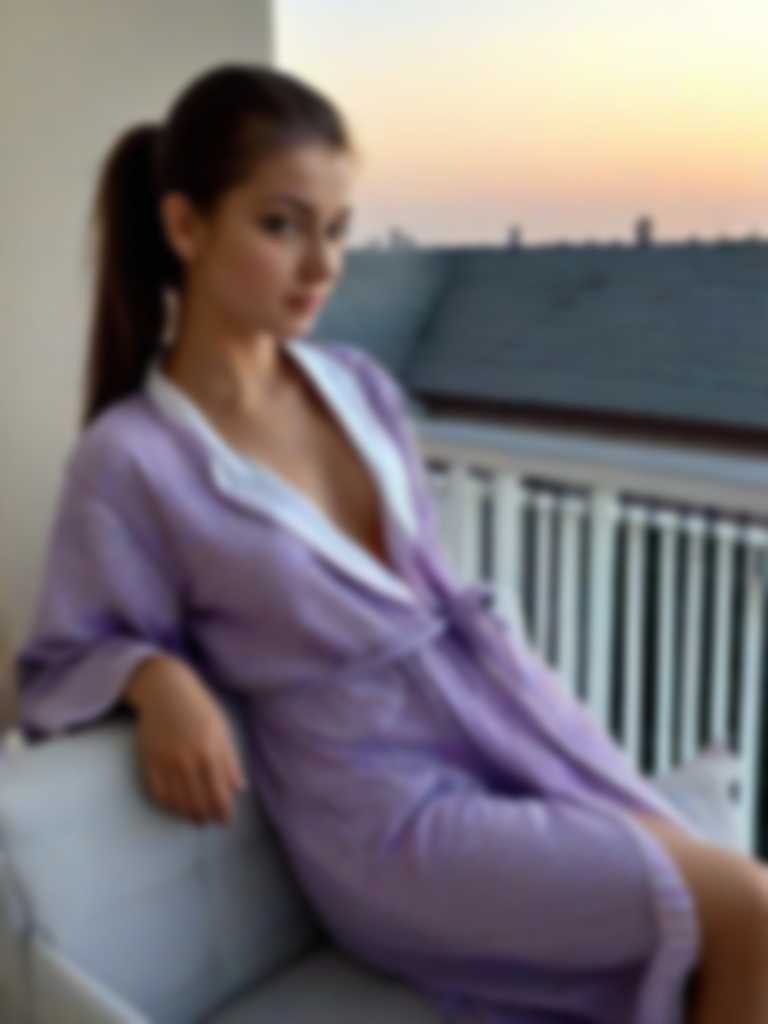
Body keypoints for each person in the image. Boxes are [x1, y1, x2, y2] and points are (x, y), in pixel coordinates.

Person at [13, 63, 768, 1024]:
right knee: (746, 905)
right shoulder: (133, 461)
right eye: (282, 225)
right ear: (185, 226)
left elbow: (419, 587)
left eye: (337, 230)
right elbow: (57, 663)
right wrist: (154, 677)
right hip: (380, 812)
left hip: (495, 717)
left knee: (715, 903)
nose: (322, 265)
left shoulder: (360, 386)